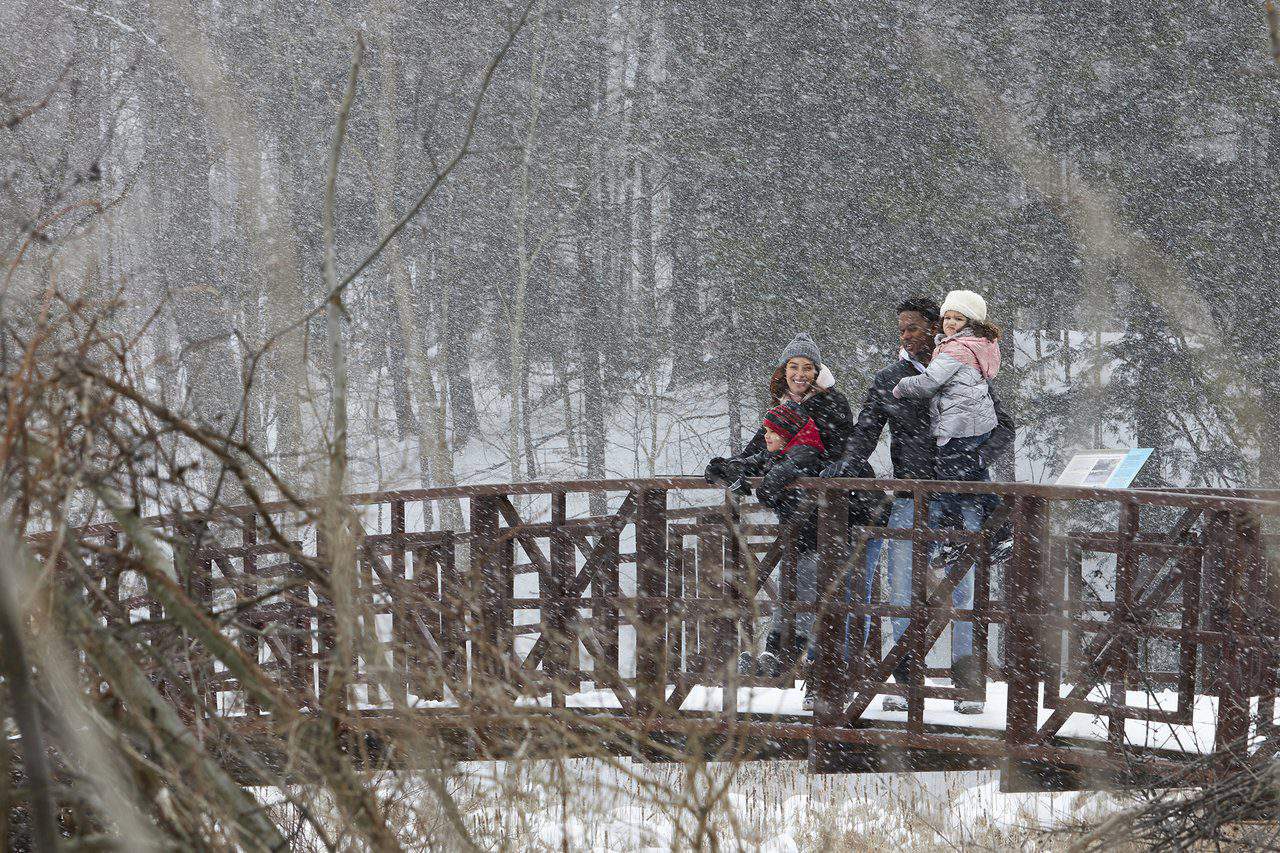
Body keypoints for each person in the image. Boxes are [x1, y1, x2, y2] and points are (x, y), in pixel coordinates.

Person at [834, 295, 1015, 714]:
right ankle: (905, 677)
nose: (906, 336)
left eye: (914, 327)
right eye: (901, 330)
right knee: (902, 587)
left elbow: (1003, 425)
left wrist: (975, 458)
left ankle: (967, 680)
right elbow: (865, 432)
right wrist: (847, 465)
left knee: (963, 587)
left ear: (937, 328)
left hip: (965, 493)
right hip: (910, 495)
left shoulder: (965, 364)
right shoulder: (888, 379)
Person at [705, 402, 825, 681]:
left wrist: (761, 487)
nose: (766, 436)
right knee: (788, 597)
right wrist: (722, 468)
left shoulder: (806, 452)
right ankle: (773, 655)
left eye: (772, 431)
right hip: (797, 543)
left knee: (804, 602)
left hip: (820, 542)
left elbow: (773, 484)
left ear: (787, 433)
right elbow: (750, 461)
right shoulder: (781, 452)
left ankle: (785, 660)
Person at [893, 288, 1002, 526]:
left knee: (947, 476)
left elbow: (929, 382)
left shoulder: (956, 349)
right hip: (973, 424)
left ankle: (952, 530)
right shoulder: (972, 346)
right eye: (948, 317)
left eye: (958, 318)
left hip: (959, 425)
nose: (951, 322)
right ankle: (1000, 524)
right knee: (976, 476)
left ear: (970, 323)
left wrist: (901, 387)